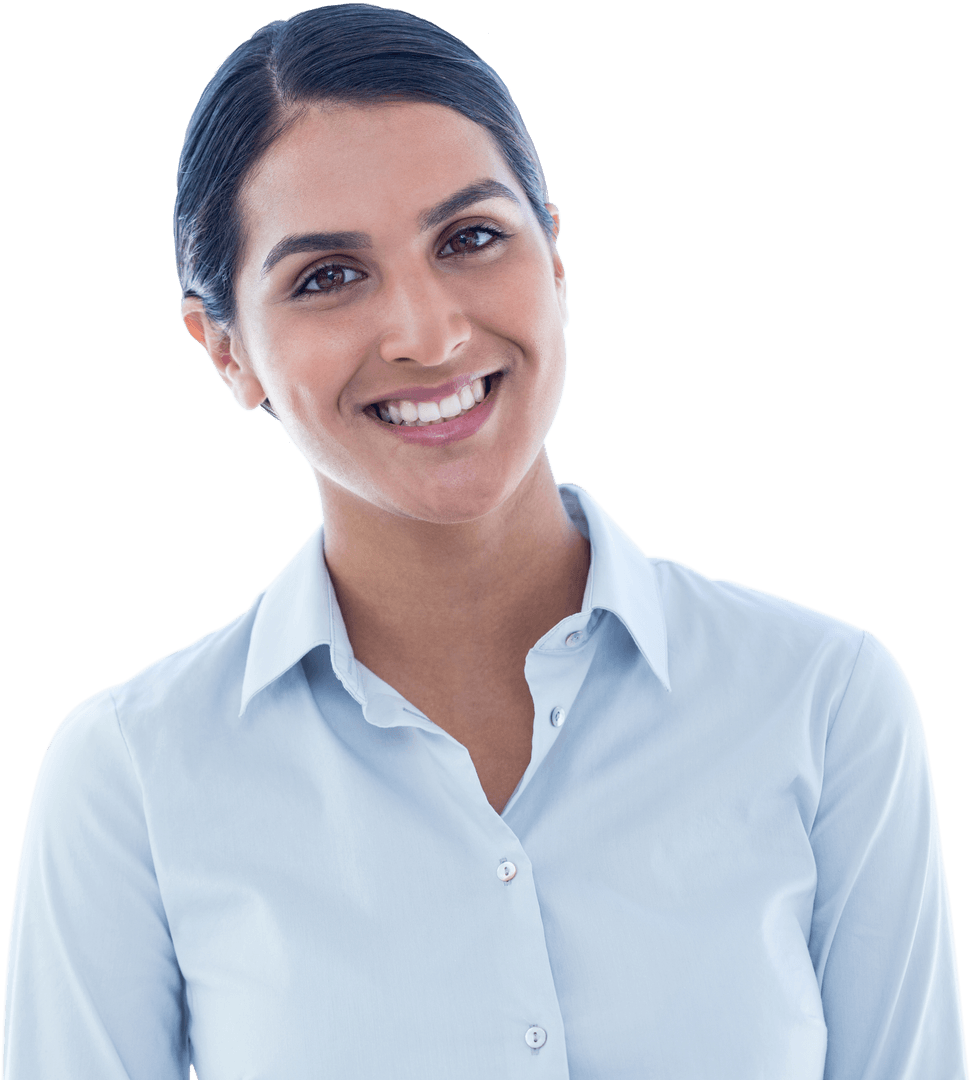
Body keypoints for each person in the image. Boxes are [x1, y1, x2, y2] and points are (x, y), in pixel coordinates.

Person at [3, 4, 967, 1078]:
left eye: (469, 239)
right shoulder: (132, 776)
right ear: (226, 350)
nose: (428, 333)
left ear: (554, 261)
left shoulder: (821, 700)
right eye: (327, 275)